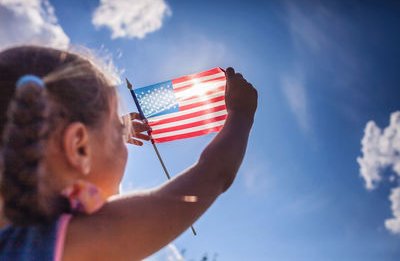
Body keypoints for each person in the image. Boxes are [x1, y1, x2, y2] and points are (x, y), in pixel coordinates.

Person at [0, 46, 257, 261]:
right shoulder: (73, 241)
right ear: (79, 147)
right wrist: (240, 114)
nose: (123, 138)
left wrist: (112, 132)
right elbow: (213, 173)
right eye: (116, 130)